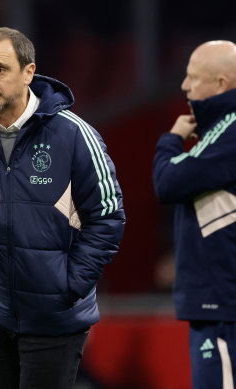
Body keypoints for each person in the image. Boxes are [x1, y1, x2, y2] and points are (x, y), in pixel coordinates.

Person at [0, 27, 126, 389]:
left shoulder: (74, 135)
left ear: (29, 72)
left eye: (0, 69)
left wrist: (68, 287)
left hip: (54, 319)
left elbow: (108, 217)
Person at [152, 40, 236, 389]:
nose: (185, 86)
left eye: (193, 77)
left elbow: (167, 181)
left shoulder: (230, 131)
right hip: (217, 303)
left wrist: (171, 140)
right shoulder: (218, 131)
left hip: (223, 304)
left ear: (220, 84)